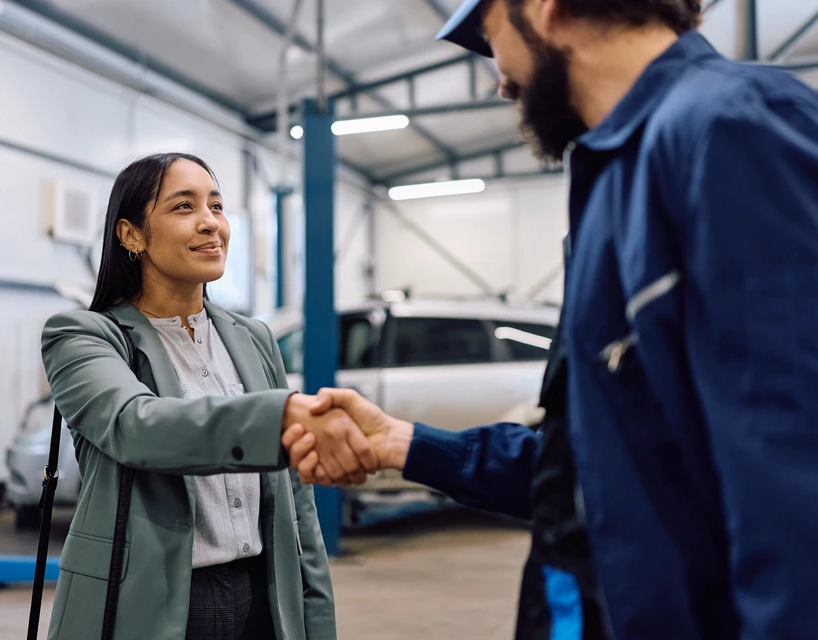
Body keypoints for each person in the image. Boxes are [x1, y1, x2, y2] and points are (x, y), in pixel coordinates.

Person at [284, 1, 818, 639]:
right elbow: (592, 468)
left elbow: (795, 491)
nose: (499, 80)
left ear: (543, 8)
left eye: (491, 37)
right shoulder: (613, 182)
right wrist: (404, 444)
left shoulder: (733, 129)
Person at [40, 152, 377, 640]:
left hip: (263, 596)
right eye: (184, 206)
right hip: (152, 603)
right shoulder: (83, 336)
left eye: (216, 206)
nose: (210, 223)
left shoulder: (254, 338)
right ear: (131, 235)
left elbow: (295, 506)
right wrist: (280, 416)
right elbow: (137, 426)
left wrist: (316, 618)